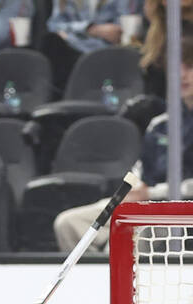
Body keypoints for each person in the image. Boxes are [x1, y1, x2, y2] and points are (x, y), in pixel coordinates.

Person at [55, 35, 193, 251]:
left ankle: (121, 281)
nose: (183, 74)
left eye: (190, 66)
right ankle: (98, 281)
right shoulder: (160, 125)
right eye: (177, 67)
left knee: (125, 236)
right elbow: (140, 169)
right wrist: (135, 188)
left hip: (180, 213)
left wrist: (152, 194)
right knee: (69, 223)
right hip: (144, 205)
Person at [43, 0, 142, 91]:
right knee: (51, 41)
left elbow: (123, 29)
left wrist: (73, 32)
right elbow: (54, 25)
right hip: (73, 48)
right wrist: (89, 28)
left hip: (107, 49)